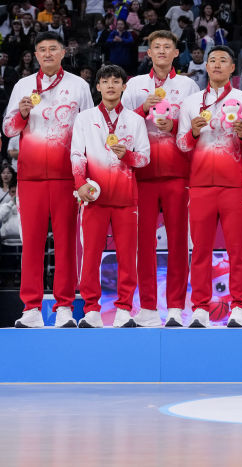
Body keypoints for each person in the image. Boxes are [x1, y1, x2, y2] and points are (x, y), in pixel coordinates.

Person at [2, 33, 94, 328]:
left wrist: (85, 176)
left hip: (68, 177)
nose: (47, 53)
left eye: (53, 48)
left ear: (63, 52)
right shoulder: (23, 85)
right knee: (32, 243)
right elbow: (7, 129)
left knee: (67, 244)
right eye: (42, 49)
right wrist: (22, 114)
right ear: (36, 55)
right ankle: (30, 308)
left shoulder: (78, 86)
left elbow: (90, 127)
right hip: (30, 178)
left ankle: (64, 306)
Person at [177, 46, 242, 328]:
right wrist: (194, 132)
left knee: (238, 251)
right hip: (200, 187)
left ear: (232, 69)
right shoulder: (190, 103)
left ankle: (239, 306)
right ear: (206, 67)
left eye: (223, 60)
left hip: (233, 186)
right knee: (200, 251)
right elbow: (181, 144)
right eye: (212, 60)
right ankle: (200, 306)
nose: (216, 64)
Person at [121, 31, 199, 327]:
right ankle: (149, 308)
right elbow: (120, 124)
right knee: (144, 245)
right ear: (148, 53)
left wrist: (175, 123)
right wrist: (142, 109)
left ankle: (177, 307)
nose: (162, 52)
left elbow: (195, 125)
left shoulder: (188, 85)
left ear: (176, 52)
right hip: (141, 175)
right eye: (157, 48)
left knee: (179, 243)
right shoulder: (135, 85)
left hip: (178, 173)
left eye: (168, 47)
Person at [71, 64, 151, 328]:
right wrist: (80, 183)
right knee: (90, 255)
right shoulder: (84, 119)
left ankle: (124, 308)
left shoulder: (135, 121)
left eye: (116, 81)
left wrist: (125, 155)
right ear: (98, 86)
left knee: (128, 257)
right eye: (105, 81)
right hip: (94, 199)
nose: (111, 86)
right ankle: (91, 309)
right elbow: (77, 155)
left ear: (124, 87)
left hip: (126, 199)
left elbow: (144, 158)